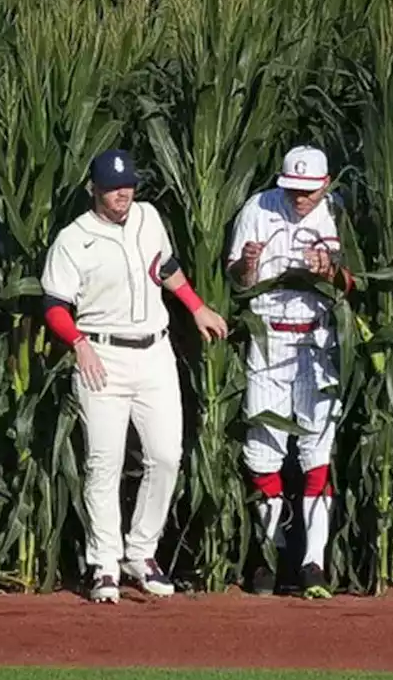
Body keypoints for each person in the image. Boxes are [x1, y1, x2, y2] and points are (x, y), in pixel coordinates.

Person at [40, 149, 227, 603]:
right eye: (112, 187)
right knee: (103, 463)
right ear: (94, 190)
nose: (122, 194)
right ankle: (104, 563)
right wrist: (79, 343)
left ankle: (141, 553)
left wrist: (196, 305)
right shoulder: (73, 238)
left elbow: (162, 266)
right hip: (101, 354)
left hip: (154, 350)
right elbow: (53, 305)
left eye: (127, 185)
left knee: (165, 456)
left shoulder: (147, 216)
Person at [226, 145, 355, 599]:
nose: (300, 198)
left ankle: (312, 562)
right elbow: (236, 281)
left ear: (326, 183)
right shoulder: (258, 208)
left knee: (316, 453)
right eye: (293, 190)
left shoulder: (339, 213)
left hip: (319, 340)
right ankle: (268, 552)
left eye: (308, 191)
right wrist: (248, 265)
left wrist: (332, 272)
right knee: (263, 451)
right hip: (268, 338)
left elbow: (357, 283)